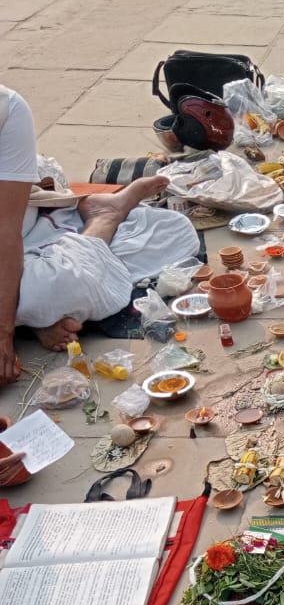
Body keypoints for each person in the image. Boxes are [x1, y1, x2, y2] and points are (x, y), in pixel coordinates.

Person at [0, 84, 200, 386]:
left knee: (174, 232)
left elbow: (7, 230)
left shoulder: (8, 108)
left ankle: (103, 220)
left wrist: (4, 333)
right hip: (26, 246)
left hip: (17, 226)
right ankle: (37, 319)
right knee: (40, 295)